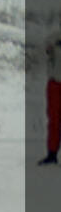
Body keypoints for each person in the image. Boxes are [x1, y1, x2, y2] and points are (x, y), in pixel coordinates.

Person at [39, 24, 61, 165]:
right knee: (54, 120)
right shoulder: (54, 37)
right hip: (55, 83)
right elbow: (44, 53)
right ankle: (52, 154)